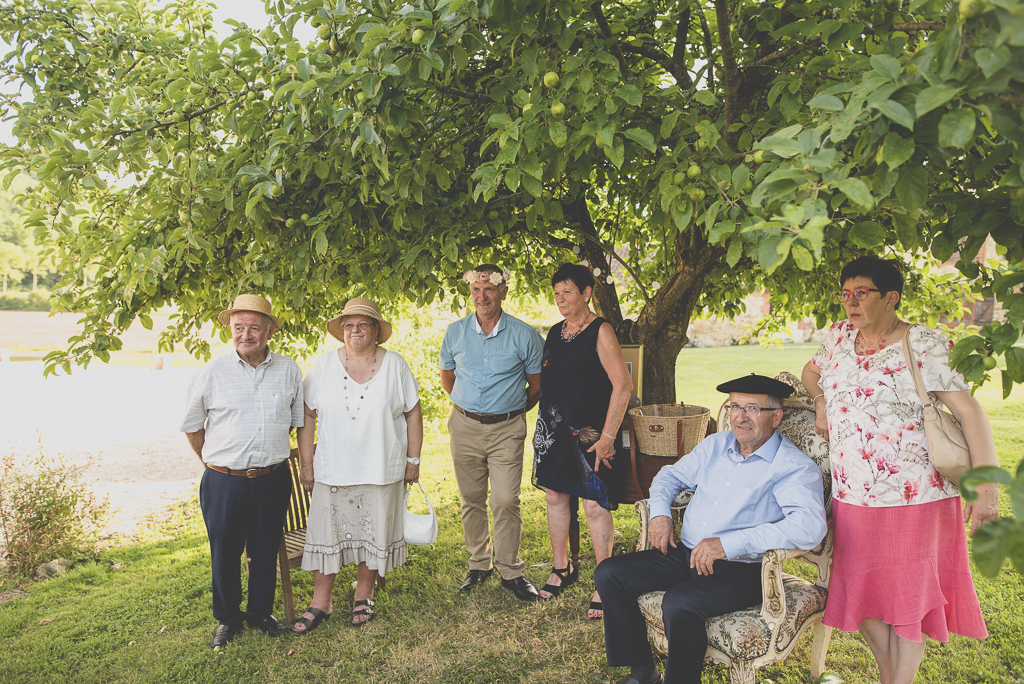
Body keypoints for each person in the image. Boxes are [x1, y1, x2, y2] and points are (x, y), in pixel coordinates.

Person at [801, 256, 999, 684]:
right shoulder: (837, 337)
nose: (850, 302)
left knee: (908, 602)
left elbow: (970, 412)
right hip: (853, 494)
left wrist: (986, 487)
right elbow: (809, 373)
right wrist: (820, 400)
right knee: (861, 594)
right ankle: (890, 676)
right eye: (845, 293)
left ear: (891, 298)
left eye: (861, 293)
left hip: (916, 496)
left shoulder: (924, 343)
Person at [595, 374, 827, 684]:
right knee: (611, 573)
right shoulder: (716, 445)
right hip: (687, 553)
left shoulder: (791, 467)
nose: (740, 417)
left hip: (741, 570)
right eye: (735, 406)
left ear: (777, 417)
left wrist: (727, 544)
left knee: (679, 602)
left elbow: (809, 528)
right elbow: (668, 477)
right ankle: (643, 674)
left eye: (753, 409)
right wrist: (660, 515)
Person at [180, 294, 304, 648]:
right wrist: (213, 461)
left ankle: (260, 613)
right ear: (230, 330)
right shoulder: (210, 373)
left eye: (254, 327)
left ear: (269, 330)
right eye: (238, 327)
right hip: (224, 480)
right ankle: (228, 619)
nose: (245, 334)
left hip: (273, 478)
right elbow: (192, 426)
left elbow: (295, 424)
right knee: (225, 552)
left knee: (265, 548)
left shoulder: (289, 370)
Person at [292, 297, 423, 633]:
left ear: (376, 330)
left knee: (371, 532)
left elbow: (412, 412)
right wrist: (306, 463)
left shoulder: (395, 365)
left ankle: (363, 595)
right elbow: (307, 413)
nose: (355, 330)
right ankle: (321, 601)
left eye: (363, 324)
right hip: (333, 468)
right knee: (327, 534)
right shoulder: (323, 366)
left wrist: (413, 458)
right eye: (349, 325)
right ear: (341, 331)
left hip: (381, 468)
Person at [439, 264, 544, 601]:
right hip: (464, 425)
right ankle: (479, 564)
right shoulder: (455, 333)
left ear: (503, 292)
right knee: (471, 499)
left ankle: (510, 570)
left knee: (505, 499)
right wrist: (470, 409)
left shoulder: (524, 335)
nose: (482, 296)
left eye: (489, 290)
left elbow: (536, 386)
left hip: (507, 428)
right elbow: (448, 379)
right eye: (475, 290)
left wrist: (508, 410)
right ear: (470, 293)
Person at [533, 263, 632, 618]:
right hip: (555, 432)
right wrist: (542, 429)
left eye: (568, 292)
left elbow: (623, 385)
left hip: (593, 435)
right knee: (556, 496)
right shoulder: (555, 332)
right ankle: (562, 568)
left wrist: (608, 438)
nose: (560, 299)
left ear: (586, 293)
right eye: (557, 293)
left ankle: (605, 581)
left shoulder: (601, 330)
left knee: (593, 505)